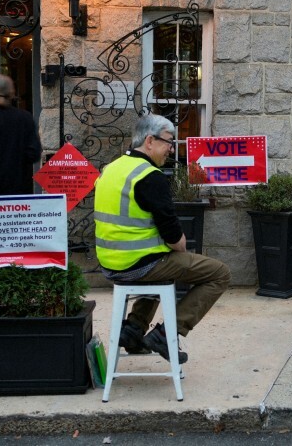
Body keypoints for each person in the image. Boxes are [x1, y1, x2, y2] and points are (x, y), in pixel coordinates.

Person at [94, 114, 231, 363]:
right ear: (149, 140)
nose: (171, 148)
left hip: (110, 264)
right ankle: (167, 334)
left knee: (166, 264)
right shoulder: (150, 176)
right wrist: (180, 246)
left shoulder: (110, 169)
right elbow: (173, 238)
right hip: (138, 264)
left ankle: (133, 330)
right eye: (168, 141)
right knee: (219, 273)